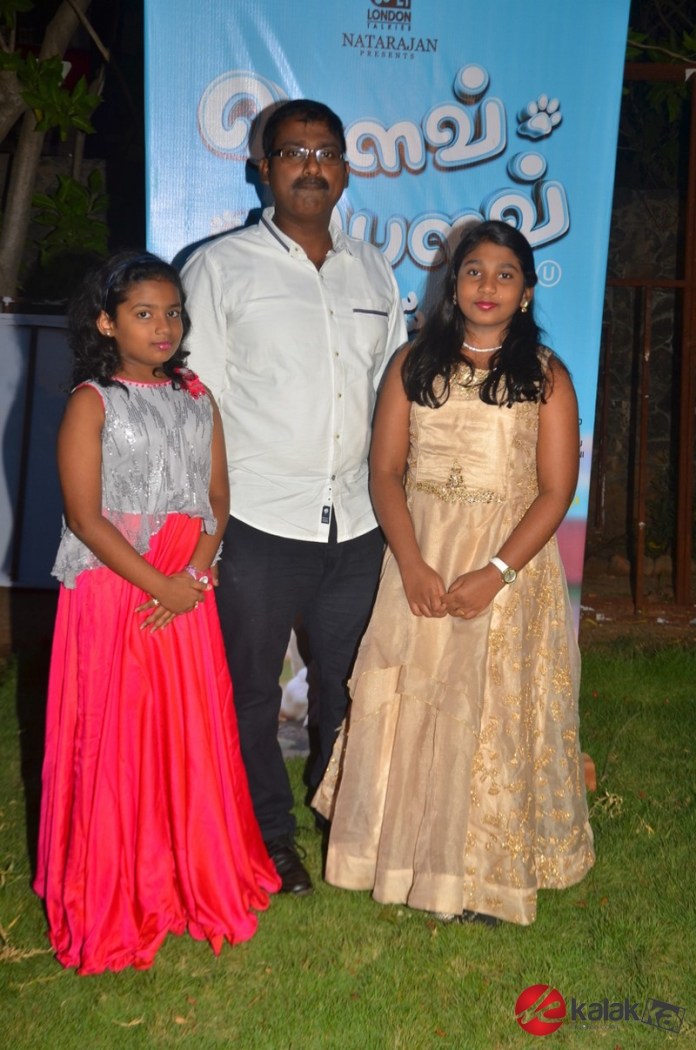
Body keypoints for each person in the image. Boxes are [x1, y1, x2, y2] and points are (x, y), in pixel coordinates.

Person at [314, 220, 595, 925]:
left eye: (504, 274)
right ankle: (396, 856)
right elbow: (384, 472)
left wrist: (496, 572)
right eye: (474, 271)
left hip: (508, 564)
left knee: (489, 705)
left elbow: (556, 492)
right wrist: (411, 564)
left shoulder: (545, 376)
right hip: (421, 554)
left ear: (525, 293)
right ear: (452, 284)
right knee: (411, 694)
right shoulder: (413, 364)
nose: (487, 286)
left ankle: (486, 874)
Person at [181, 99, 407, 896]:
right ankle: (268, 835)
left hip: (358, 521)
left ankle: (340, 816)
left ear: (345, 169)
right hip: (257, 520)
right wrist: (207, 527)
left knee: (351, 681)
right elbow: (196, 402)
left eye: (325, 153)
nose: (311, 166)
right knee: (250, 690)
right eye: (293, 152)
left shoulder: (374, 269)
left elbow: (394, 393)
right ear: (263, 168)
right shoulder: (219, 268)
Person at [33, 251, 280, 975]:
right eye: (144, 314)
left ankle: (189, 874)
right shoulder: (92, 401)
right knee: (116, 738)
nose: (163, 326)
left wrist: (194, 576)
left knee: (187, 734)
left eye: (173, 313)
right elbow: (85, 518)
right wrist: (159, 586)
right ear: (107, 323)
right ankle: (115, 892)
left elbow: (218, 498)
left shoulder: (199, 397)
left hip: (186, 587)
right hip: (116, 587)